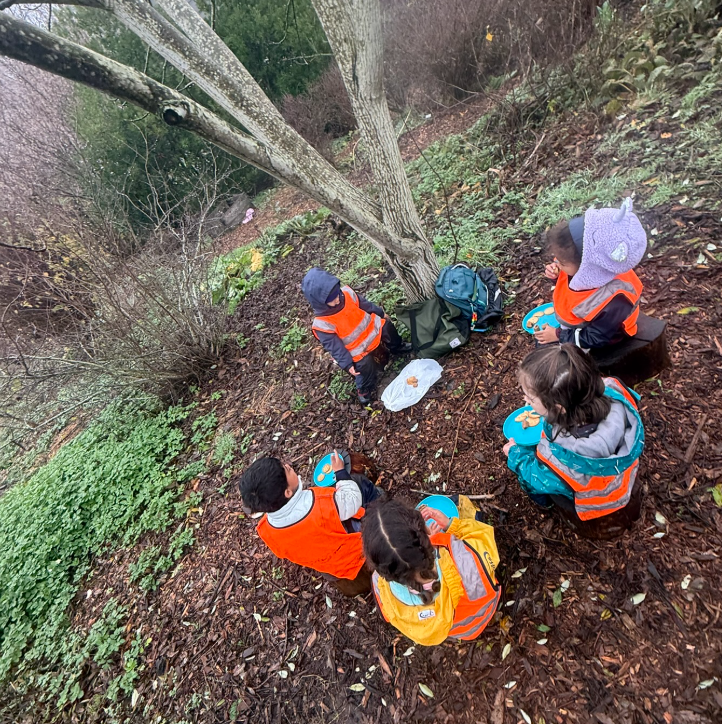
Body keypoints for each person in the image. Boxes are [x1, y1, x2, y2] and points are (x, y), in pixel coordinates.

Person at [503, 344, 644, 527]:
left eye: (531, 399)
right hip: (624, 476)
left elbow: (538, 477)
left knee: (533, 481)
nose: (526, 401)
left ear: (558, 408)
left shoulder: (561, 456)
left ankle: (544, 505)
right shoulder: (615, 391)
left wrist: (515, 454)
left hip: (600, 501)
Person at [362, 498, 501, 646]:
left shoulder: (381, 587)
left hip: (459, 630)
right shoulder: (467, 560)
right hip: (485, 610)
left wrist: (429, 541)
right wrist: (450, 525)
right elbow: (485, 539)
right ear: (422, 533)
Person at [238, 451, 381, 589]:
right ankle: (381, 502)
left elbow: (283, 551)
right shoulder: (321, 504)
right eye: (286, 470)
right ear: (287, 492)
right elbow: (351, 500)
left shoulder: (265, 530)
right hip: (358, 552)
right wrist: (341, 473)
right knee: (359, 484)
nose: (288, 465)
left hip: (330, 566)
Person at [535, 198, 647, 350]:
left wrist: (558, 335)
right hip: (579, 322)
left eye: (561, 263)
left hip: (605, 338)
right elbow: (573, 289)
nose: (556, 264)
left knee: (554, 357)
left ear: (587, 268)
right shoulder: (582, 262)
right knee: (541, 345)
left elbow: (595, 337)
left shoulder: (615, 299)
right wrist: (556, 276)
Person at [301, 268, 411, 405]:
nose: (337, 300)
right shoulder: (322, 324)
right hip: (356, 349)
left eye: (337, 294)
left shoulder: (347, 294)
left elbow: (367, 305)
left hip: (371, 330)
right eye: (331, 300)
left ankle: (397, 347)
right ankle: (364, 389)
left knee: (387, 327)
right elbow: (336, 348)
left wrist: (381, 313)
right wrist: (347, 364)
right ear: (320, 302)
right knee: (364, 367)